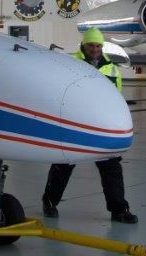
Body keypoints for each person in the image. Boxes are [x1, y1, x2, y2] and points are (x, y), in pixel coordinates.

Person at [41, 27, 138, 224]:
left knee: (112, 168)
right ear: (83, 45)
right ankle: (49, 201)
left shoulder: (111, 69)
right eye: (91, 45)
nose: (94, 49)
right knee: (63, 165)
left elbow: (116, 96)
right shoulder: (71, 63)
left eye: (98, 46)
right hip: (74, 123)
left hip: (101, 124)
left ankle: (119, 210)